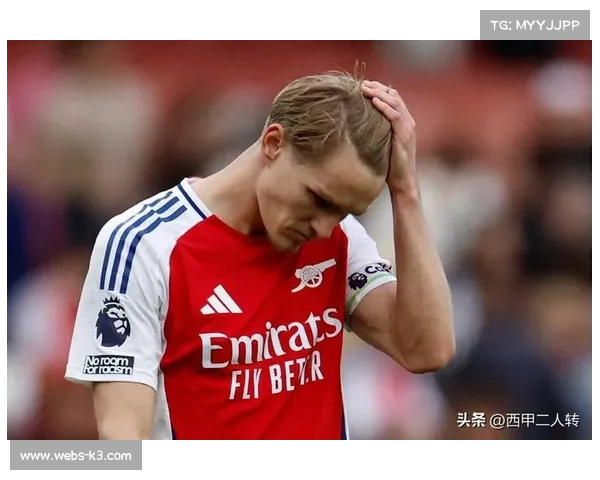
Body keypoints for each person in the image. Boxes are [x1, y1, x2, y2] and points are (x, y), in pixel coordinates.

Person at [64, 72, 455, 440]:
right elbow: (123, 434)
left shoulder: (339, 236)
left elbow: (424, 349)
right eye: (318, 199)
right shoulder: (141, 245)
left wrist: (405, 191)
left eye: (344, 211)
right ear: (273, 143)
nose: (324, 228)